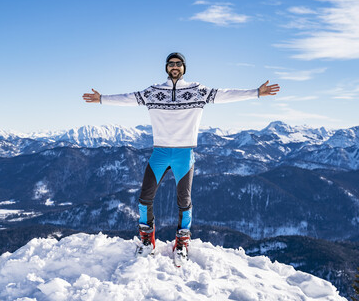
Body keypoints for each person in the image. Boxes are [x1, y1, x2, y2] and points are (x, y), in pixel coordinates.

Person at [82, 52, 280, 267]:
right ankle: (147, 241)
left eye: (178, 64)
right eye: (171, 64)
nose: (174, 67)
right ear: (166, 68)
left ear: (184, 67)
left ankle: (182, 242)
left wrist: (256, 93)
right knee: (144, 198)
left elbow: (225, 94)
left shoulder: (197, 91)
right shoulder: (154, 92)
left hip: (184, 153)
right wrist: (102, 98)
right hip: (160, 152)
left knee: (184, 201)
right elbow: (128, 98)